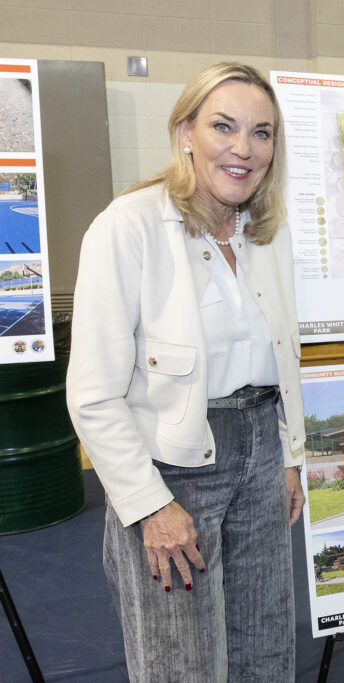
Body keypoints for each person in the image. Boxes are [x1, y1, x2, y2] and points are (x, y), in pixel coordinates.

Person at [66, 62, 305, 681]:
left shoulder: (267, 232)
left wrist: (286, 457)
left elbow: (282, 356)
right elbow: (92, 394)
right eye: (223, 126)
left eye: (262, 133)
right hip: (173, 468)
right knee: (182, 664)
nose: (242, 148)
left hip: (259, 454)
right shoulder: (129, 227)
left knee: (266, 651)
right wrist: (150, 506)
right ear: (185, 133)